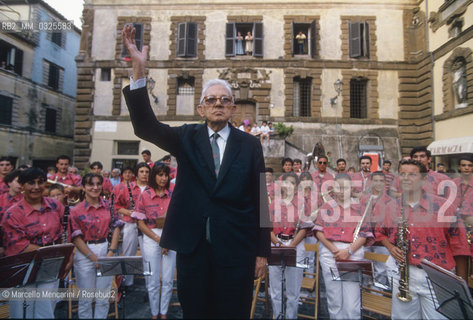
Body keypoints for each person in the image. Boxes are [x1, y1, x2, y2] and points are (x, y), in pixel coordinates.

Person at [121, 24, 270, 318]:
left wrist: (262, 251)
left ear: (233, 109)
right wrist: (139, 74)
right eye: (211, 100)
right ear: (201, 109)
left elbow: (261, 201)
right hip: (193, 249)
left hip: (236, 250)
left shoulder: (250, 145)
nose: (218, 103)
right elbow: (145, 127)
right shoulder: (186, 137)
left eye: (224, 100)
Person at [375, 159, 470, 319]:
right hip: (403, 276)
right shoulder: (390, 207)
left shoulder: (444, 207)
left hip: (437, 277)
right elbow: (380, 232)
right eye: (403, 174)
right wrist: (391, 248)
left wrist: (461, 285)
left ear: (424, 179)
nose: (406, 178)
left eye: (412, 174)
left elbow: (460, 247)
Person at [2, 168, 67, 318]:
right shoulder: (13, 213)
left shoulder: (56, 206)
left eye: (40, 182)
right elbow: (19, 246)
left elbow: (65, 233)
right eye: (31, 183)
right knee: (23, 313)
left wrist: (66, 257)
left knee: (46, 312)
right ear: (22, 186)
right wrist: (51, 252)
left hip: (50, 267)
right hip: (24, 270)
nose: (36, 187)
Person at [314, 173, 373, 319]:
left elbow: (364, 234)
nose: (341, 191)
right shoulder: (327, 207)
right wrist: (335, 250)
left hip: (352, 253)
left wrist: (348, 251)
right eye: (338, 187)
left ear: (351, 188)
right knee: (334, 299)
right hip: (330, 253)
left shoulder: (360, 208)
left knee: (352, 303)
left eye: (345, 187)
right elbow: (318, 231)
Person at [69, 173, 121, 319]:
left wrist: (111, 251)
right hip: (85, 251)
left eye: (98, 184)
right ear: (84, 187)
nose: (95, 187)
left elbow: (116, 227)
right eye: (91, 184)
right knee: (86, 298)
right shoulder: (76, 210)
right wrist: (93, 258)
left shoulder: (108, 206)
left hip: (105, 248)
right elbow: (76, 238)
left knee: (103, 297)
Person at [133, 164, 175, 319]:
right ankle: (154, 313)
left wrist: (167, 240)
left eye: (166, 175)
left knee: (168, 278)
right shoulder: (145, 194)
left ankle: (163, 313)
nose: (163, 178)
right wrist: (159, 239)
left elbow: (178, 218)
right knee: (152, 278)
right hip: (151, 236)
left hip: (171, 235)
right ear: (154, 176)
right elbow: (140, 223)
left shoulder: (173, 193)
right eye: (160, 174)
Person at [268, 173, 309, 319]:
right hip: (276, 243)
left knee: (293, 289)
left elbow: (304, 228)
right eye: (286, 183)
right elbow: (267, 228)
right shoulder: (273, 204)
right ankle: (278, 316)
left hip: (295, 244)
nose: (289, 186)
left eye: (293, 183)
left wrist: (291, 245)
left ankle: (291, 317)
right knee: (276, 288)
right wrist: (278, 244)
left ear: (296, 187)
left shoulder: (302, 204)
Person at [114, 162, 150, 287]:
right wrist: (128, 212)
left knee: (148, 255)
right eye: (142, 171)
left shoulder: (152, 188)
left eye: (147, 172)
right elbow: (117, 206)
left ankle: (149, 285)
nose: (144, 174)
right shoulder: (127, 187)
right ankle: (126, 283)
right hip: (131, 223)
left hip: (147, 226)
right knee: (129, 253)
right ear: (137, 174)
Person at [0, 170, 23, 257]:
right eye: (17, 181)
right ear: (9, 182)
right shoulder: (1, 199)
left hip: (20, 242)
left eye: (22, 182)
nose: (20, 184)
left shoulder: (26, 200)